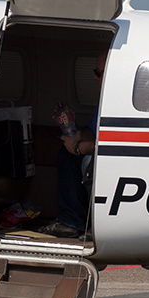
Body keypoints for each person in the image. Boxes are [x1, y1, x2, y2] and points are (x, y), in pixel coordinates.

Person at [35, 52, 106, 239]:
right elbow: (94, 130)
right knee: (66, 154)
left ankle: (99, 226)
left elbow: (113, 145)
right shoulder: (105, 102)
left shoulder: (122, 103)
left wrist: (80, 147)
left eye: (99, 73)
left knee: (87, 162)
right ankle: (71, 221)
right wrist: (75, 134)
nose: (94, 77)